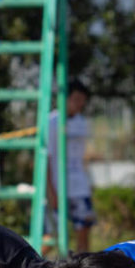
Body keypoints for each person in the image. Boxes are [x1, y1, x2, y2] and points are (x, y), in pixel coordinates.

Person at [43, 79, 95, 254]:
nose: (79, 104)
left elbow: (84, 155)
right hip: (59, 186)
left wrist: (89, 181)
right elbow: (47, 158)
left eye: (82, 100)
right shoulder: (52, 121)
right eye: (76, 99)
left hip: (79, 187)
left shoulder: (82, 122)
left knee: (83, 231)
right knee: (51, 236)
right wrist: (50, 190)